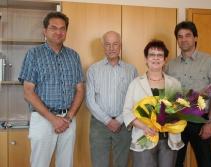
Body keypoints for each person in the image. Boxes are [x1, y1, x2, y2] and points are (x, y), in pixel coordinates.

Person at [18, 12, 85, 167]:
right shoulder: (33, 54)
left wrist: (68, 118)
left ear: (66, 32)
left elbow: (80, 90)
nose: (58, 32)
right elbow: (28, 92)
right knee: (39, 164)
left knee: (66, 163)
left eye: (62, 28)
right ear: (45, 31)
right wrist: (53, 119)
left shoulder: (73, 56)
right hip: (42, 119)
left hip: (68, 119)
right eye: (53, 28)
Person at [165, 21, 211, 167]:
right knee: (175, 162)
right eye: (180, 36)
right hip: (177, 121)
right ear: (177, 40)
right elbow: (166, 96)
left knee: (205, 162)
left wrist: (209, 123)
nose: (184, 39)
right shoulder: (170, 66)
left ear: (195, 38)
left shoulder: (209, 62)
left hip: (200, 121)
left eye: (188, 35)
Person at [123, 40, 182, 167]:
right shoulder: (136, 83)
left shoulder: (174, 83)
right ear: (146, 58)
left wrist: (172, 117)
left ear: (165, 59)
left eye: (160, 55)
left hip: (169, 140)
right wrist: (144, 126)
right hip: (144, 137)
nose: (156, 58)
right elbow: (127, 112)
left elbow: (180, 110)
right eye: (152, 55)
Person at [86, 31, 138, 167]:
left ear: (120, 46)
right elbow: (89, 100)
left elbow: (135, 99)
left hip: (124, 124)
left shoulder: (131, 70)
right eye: (107, 44)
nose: (111, 48)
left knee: (122, 163)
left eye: (115, 44)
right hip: (99, 124)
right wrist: (107, 120)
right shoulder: (93, 70)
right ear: (103, 46)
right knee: (99, 164)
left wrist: (120, 120)